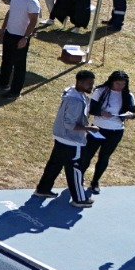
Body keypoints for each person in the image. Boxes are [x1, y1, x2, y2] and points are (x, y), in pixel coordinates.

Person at [35, 70, 95, 208]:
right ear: (80, 82)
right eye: (89, 83)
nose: (91, 86)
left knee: (54, 164)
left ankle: (43, 189)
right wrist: (88, 129)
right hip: (72, 141)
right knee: (75, 169)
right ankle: (79, 199)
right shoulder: (76, 102)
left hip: (61, 137)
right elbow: (70, 124)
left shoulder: (70, 92)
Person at [81, 70, 135, 195]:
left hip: (116, 131)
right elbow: (92, 109)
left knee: (104, 157)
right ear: (111, 81)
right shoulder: (100, 91)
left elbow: (133, 113)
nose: (120, 87)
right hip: (97, 129)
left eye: (123, 84)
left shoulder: (128, 95)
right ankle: (79, 177)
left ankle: (95, 181)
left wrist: (130, 115)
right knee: (87, 155)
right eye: (118, 84)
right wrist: (101, 112)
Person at [0, 0, 41, 99]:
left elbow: (33, 21)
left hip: (20, 36)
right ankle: (3, 83)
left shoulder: (32, 2)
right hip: (9, 33)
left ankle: (15, 91)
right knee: (6, 60)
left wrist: (25, 38)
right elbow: (10, 12)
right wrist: (3, 28)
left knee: (19, 65)